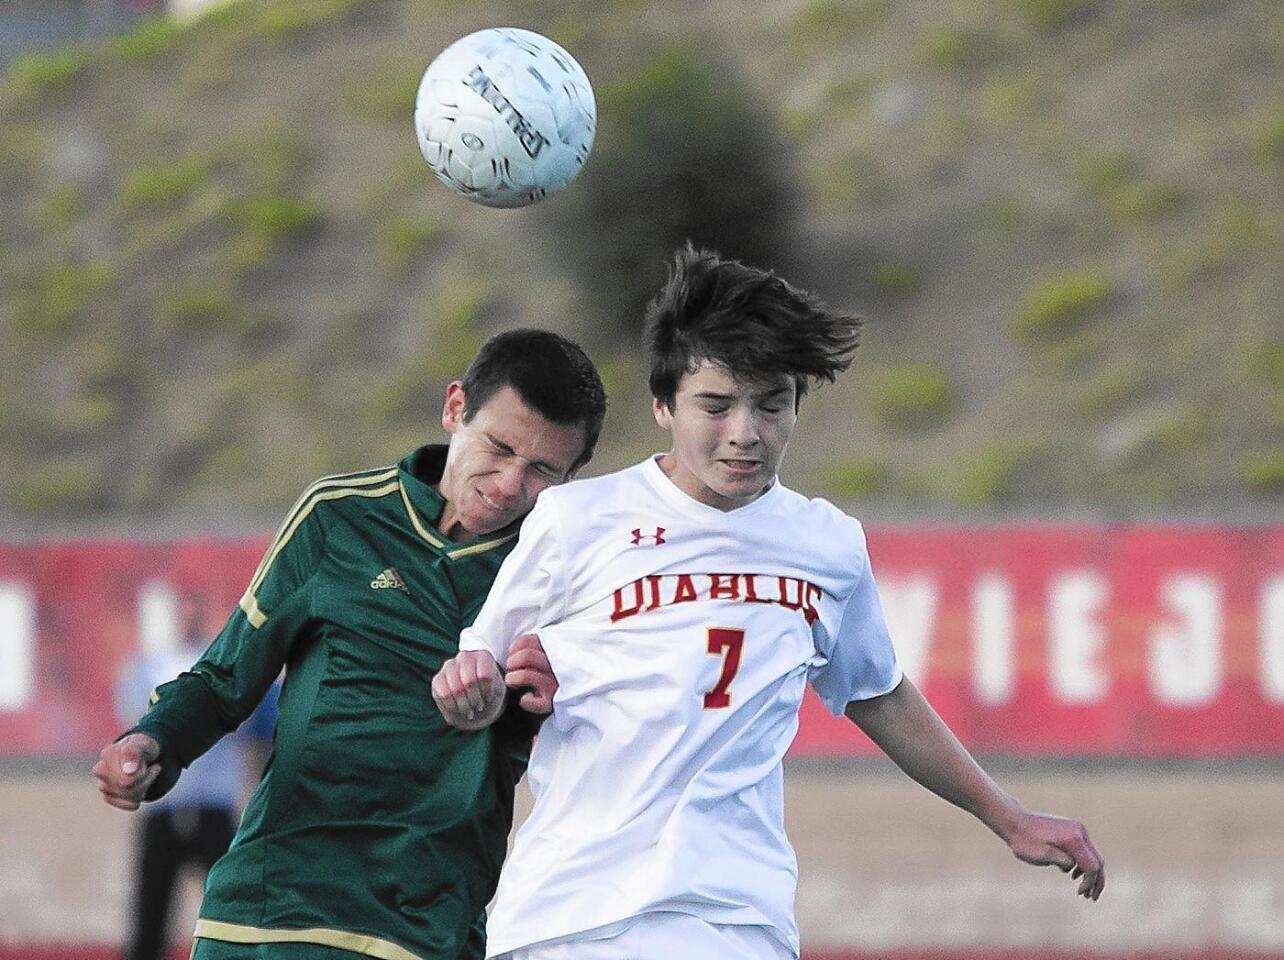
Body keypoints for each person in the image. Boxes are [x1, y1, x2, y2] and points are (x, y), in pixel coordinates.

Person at [432, 247, 1106, 960]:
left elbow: (880, 694)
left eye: (772, 403)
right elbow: (477, 671)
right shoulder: (576, 522)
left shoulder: (825, 545)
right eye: (715, 405)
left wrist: (1008, 818)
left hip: (734, 920)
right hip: (570, 920)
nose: (745, 433)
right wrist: (474, 694)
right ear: (662, 405)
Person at [93, 328, 608, 960]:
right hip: (264, 918)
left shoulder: (572, 585)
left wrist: (510, 709)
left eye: (542, 471)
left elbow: (584, 748)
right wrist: (152, 742)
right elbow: (224, 681)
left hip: (419, 932)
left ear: (577, 475)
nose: (508, 484)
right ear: (454, 409)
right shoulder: (337, 517)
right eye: (497, 448)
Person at [115, 592, 278, 960]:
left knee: (236, 912)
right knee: (149, 919)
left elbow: (261, 730)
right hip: (164, 806)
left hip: (213, 806)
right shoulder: (148, 667)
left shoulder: (226, 667)